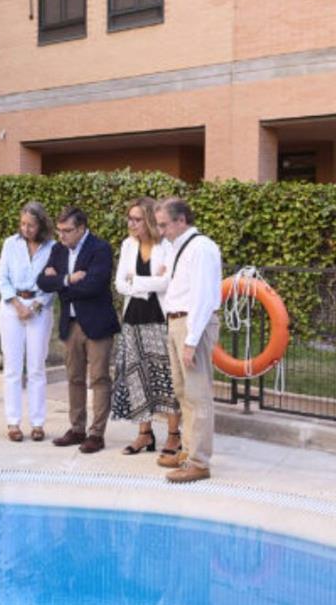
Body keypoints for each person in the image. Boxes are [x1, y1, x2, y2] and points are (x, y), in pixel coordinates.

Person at [36, 206, 120, 454]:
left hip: (97, 324)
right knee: (74, 378)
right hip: (70, 324)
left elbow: (94, 285)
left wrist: (59, 281)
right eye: (60, 231)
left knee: (99, 379)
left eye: (67, 231)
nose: (62, 236)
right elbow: (42, 281)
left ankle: (96, 434)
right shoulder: (58, 249)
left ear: (81, 228)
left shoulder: (100, 248)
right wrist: (69, 279)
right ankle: (77, 429)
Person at [154, 197, 221, 483]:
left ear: (181, 220)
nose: (161, 231)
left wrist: (191, 340)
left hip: (192, 324)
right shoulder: (178, 247)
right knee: (183, 392)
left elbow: (204, 297)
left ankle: (199, 462)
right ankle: (190, 451)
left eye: (164, 225)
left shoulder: (202, 248)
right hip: (177, 321)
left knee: (198, 394)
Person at [111, 197, 181, 457]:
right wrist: (148, 281)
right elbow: (120, 283)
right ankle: (144, 434)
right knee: (136, 376)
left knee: (166, 378)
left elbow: (167, 283)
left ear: (150, 219)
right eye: (129, 218)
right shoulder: (128, 245)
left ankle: (174, 436)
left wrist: (137, 281)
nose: (131, 223)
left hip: (160, 319)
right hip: (133, 319)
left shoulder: (167, 246)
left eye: (137, 219)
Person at [0, 202, 57, 442]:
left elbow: (53, 283)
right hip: (12, 308)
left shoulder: (53, 248)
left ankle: (38, 423)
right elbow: (2, 279)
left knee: (36, 368)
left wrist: (36, 306)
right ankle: (13, 422)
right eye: (22, 224)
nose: (26, 228)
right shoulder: (10, 244)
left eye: (31, 225)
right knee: (12, 367)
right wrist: (17, 304)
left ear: (41, 224)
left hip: (39, 310)